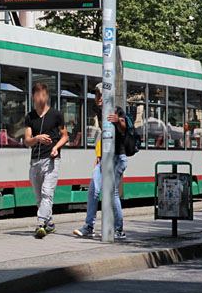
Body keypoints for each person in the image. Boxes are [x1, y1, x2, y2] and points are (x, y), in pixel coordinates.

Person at [74, 84, 128, 239]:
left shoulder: (117, 110)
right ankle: (89, 226)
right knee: (93, 189)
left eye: (100, 94)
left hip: (118, 157)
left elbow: (125, 129)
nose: (98, 97)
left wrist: (119, 121)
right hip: (105, 158)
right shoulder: (98, 110)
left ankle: (119, 230)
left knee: (112, 192)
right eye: (96, 94)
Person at [25, 82, 68, 238]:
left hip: (51, 160)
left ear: (47, 97)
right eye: (37, 95)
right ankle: (49, 223)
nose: (40, 98)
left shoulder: (56, 115)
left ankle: (41, 224)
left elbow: (65, 136)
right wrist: (37, 138)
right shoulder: (30, 117)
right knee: (39, 197)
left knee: (46, 193)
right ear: (33, 97)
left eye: (43, 95)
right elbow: (27, 140)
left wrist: (56, 147)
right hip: (35, 162)